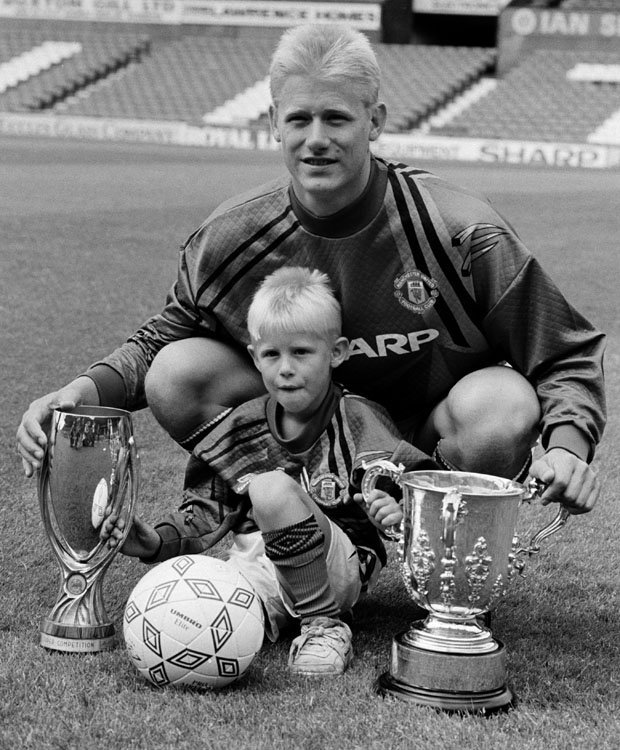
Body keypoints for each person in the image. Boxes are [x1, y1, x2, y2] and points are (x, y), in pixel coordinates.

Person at [17, 23, 605, 516]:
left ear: (374, 121)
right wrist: (80, 391)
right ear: (274, 121)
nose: (315, 140)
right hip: (303, 429)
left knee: (504, 407)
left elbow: (561, 351)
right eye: (299, 120)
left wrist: (569, 447)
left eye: (337, 119)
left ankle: (416, 545)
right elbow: (159, 342)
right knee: (178, 372)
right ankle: (289, 526)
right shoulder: (230, 236)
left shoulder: (460, 231)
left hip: (423, 440)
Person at [100, 266, 436, 675]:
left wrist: (397, 514)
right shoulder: (241, 425)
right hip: (258, 564)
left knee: (271, 490)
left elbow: (424, 489)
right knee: (192, 613)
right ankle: (261, 619)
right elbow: (205, 513)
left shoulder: (360, 420)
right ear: (254, 358)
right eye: (272, 354)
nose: (286, 368)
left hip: (339, 564)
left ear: (338, 352)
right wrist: (153, 541)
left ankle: (325, 623)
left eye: (301, 352)